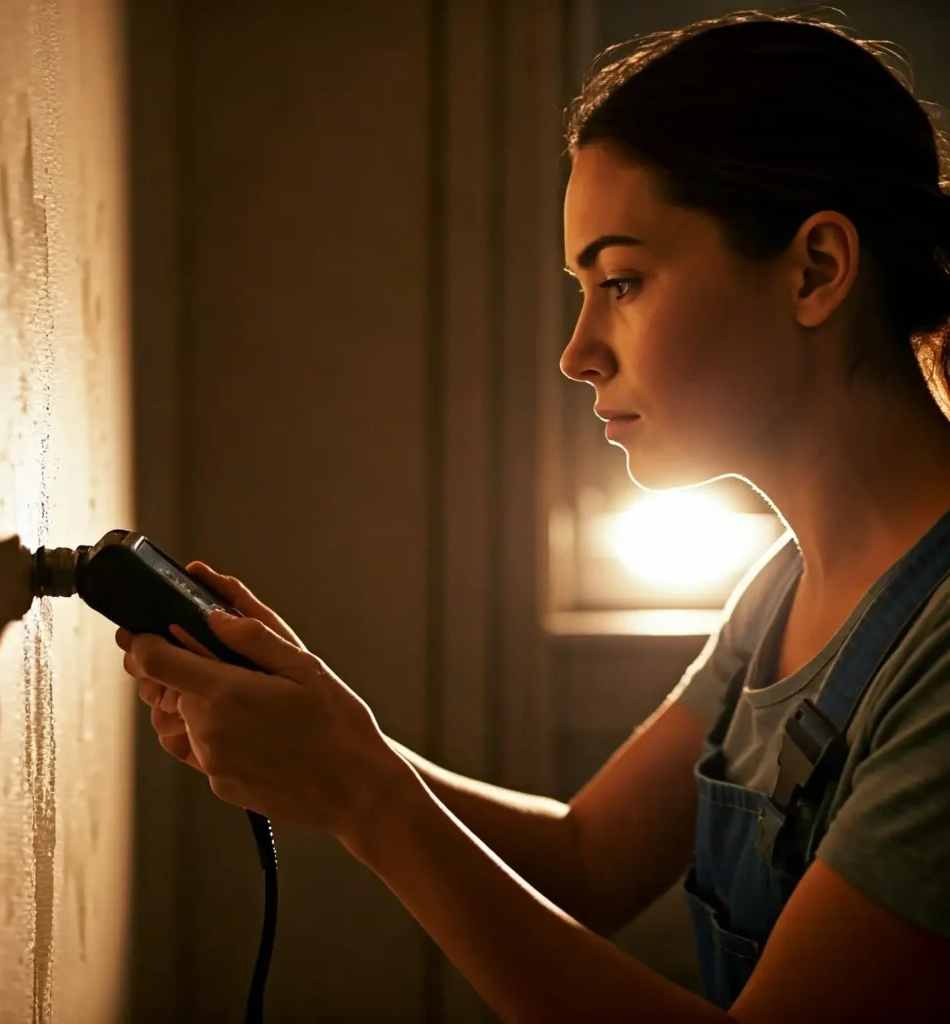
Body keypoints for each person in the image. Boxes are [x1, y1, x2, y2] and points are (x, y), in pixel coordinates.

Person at [118, 11, 950, 1020]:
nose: (578, 352)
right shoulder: (783, 584)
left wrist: (361, 793)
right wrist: (334, 736)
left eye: (623, 282)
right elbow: (586, 860)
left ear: (814, 268)